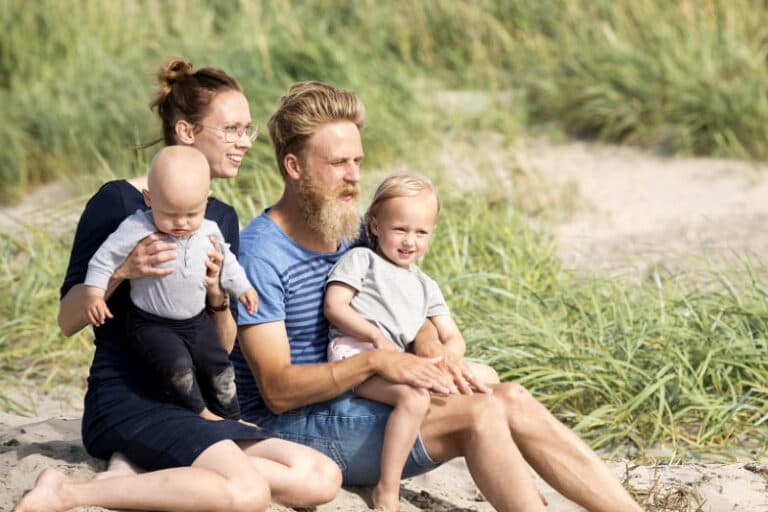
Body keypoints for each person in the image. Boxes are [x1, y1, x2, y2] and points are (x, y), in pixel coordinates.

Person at [233, 80, 644, 512]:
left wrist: (432, 351)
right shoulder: (262, 252)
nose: (354, 176)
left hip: (363, 399)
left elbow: (407, 303)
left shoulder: (353, 231)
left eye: (357, 160)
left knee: (511, 397)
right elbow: (277, 390)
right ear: (294, 167)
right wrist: (377, 359)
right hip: (292, 426)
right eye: (338, 163)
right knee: (479, 414)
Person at [13, 60, 341, 512]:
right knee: (246, 494)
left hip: (193, 402)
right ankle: (67, 491)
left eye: (248, 130)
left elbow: (221, 346)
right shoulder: (119, 203)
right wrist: (121, 271)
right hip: (127, 400)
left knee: (321, 477)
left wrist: (217, 296)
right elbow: (67, 320)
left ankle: (144, 469)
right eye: (231, 130)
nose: (245, 142)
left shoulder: (219, 217)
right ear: (186, 131)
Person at [324, 172, 495, 511]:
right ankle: (387, 489)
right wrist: (374, 335)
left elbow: (452, 335)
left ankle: (485, 464)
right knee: (414, 398)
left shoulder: (424, 284)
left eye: (421, 233)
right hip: (356, 355)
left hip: (401, 360)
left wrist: (449, 358)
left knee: (488, 376)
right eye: (399, 229)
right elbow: (334, 306)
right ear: (375, 226)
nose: (409, 241)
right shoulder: (363, 261)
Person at [83, 145, 258, 422]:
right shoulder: (138, 227)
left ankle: (231, 415)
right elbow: (103, 260)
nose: (181, 223)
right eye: (170, 214)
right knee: (178, 366)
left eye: (191, 214)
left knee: (220, 367)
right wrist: (95, 295)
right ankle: (201, 413)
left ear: (206, 201)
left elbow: (229, 265)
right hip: (151, 321)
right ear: (149, 199)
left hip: (195, 319)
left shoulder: (210, 229)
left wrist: (244, 289)